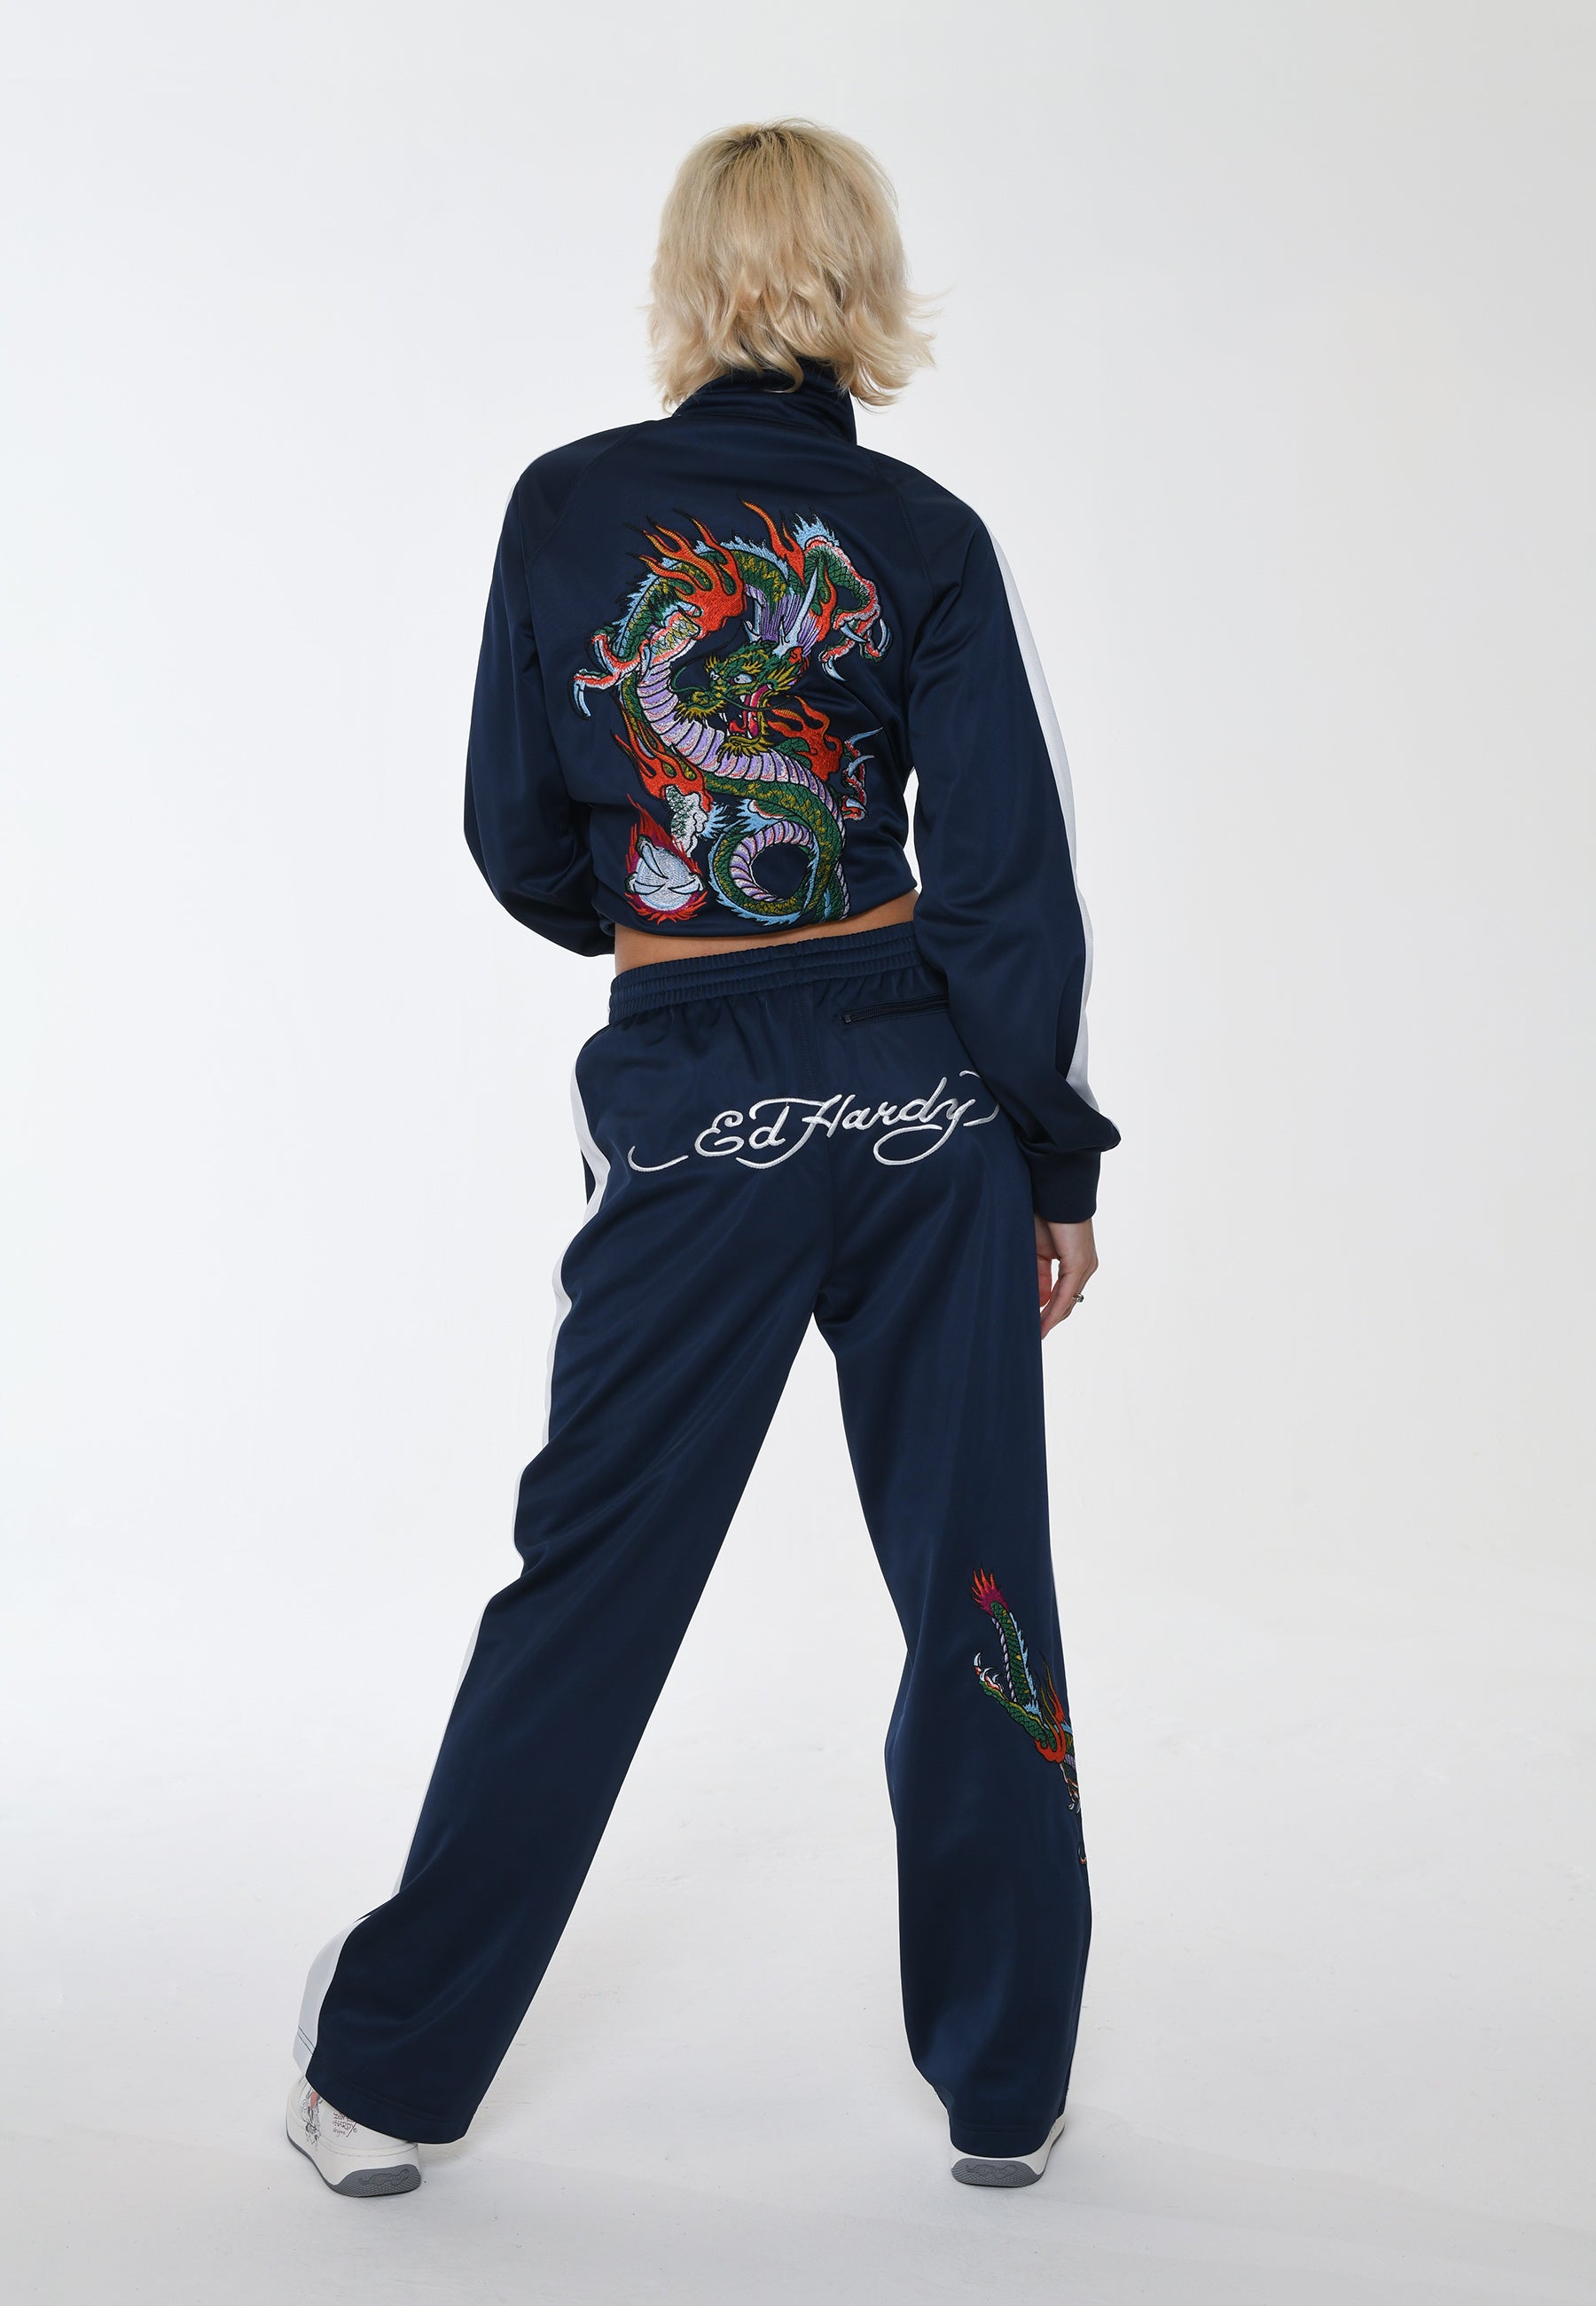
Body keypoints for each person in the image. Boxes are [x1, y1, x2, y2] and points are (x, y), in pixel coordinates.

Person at [286, 117, 1120, 2200]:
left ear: (687, 278)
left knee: (592, 1580)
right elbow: (1006, 883)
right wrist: (1053, 1156)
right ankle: (1009, 2088)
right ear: (862, 281)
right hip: (926, 1092)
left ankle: (384, 2082)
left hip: (697, 1091)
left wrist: (664, 923)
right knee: (982, 1578)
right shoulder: (925, 534)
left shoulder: (569, 509)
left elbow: (513, 828)